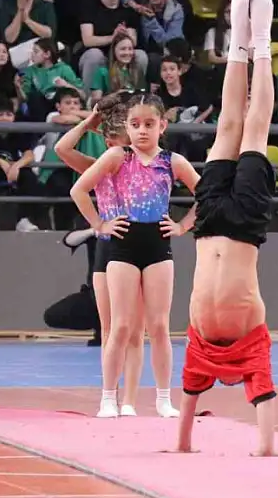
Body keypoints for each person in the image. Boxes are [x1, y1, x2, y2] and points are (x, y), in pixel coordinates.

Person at [174, 0, 278, 457]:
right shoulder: (253, 344)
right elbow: (264, 393)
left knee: (226, 129)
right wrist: (265, 447)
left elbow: (191, 398)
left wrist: (182, 444)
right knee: (254, 128)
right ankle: (261, 42)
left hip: (211, 222)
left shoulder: (199, 349)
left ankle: (238, 40)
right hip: (244, 226)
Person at [70, 92, 200, 419]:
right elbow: (79, 189)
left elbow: (208, 194)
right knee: (122, 326)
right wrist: (99, 223)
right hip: (122, 246)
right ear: (127, 127)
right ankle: (108, 399)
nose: (142, 131)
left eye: (149, 124)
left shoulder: (172, 161)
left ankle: (162, 399)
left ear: (163, 126)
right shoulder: (117, 157)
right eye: (135, 124)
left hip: (158, 246)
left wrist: (183, 226)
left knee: (158, 326)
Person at [55, 94, 150, 416]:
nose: (115, 145)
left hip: (139, 246)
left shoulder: (147, 164)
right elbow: (61, 150)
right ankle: (109, 395)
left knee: (135, 329)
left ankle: (130, 400)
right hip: (109, 246)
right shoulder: (102, 167)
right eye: (112, 139)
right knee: (110, 328)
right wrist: (89, 121)